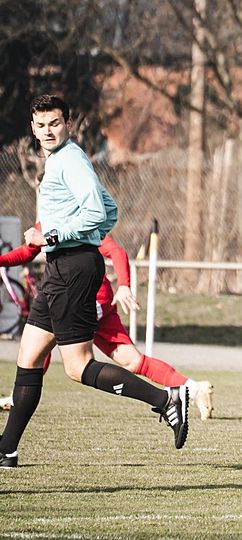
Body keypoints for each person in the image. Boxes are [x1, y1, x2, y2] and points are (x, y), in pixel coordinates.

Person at [0, 95, 188, 469]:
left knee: (78, 366)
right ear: (33, 128)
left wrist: (52, 235)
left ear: (68, 124)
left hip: (72, 268)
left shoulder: (70, 159)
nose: (47, 131)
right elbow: (111, 211)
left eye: (54, 123)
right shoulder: (59, 159)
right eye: (41, 125)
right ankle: (7, 450)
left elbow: (97, 212)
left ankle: (166, 400)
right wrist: (66, 237)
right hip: (61, 267)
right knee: (29, 357)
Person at [0, 233, 214, 419]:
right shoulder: (49, 217)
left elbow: (117, 252)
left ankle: (20, 397)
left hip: (90, 299)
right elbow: (27, 251)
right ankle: (194, 389)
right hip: (84, 298)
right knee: (132, 361)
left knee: (50, 342)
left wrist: (124, 286)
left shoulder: (76, 221)